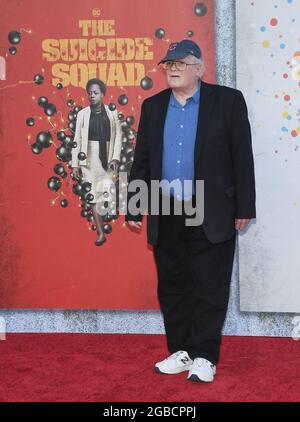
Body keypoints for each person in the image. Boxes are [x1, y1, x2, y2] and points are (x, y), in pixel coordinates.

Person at [125, 40, 256, 382]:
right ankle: (181, 350)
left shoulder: (227, 101)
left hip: (210, 206)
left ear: (199, 68)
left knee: (209, 285)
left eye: (181, 63)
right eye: (168, 64)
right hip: (166, 207)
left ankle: (205, 356)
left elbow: (242, 156)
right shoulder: (153, 107)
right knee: (173, 285)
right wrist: (136, 205)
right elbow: (143, 159)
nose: (173, 69)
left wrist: (245, 205)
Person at [71, 79, 122, 246]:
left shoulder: (113, 113)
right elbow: (77, 139)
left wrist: (115, 157)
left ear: (103, 94)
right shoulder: (82, 114)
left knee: (105, 194)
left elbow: (118, 138)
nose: (92, 96)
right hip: (89, 158)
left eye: (96, 93)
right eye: (90, 93)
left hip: (107, 156)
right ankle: (101, 233)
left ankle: (105, 223)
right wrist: (75, 163)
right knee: (93, 196)